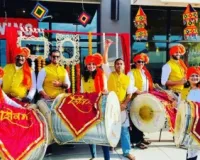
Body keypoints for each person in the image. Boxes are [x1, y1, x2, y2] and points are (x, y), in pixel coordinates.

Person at [102, 40, 135, 160]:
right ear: (114, 66)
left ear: (124, 66)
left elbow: (130, 94)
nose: (119, 66)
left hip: (121, 106)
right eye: (117, 64)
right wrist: (106, 47)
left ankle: (127, 151)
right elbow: (104, 62)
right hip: (110, 106)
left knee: (124, 129)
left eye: (121, 64)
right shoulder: (110, 75)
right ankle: (111, 146)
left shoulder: (128, 78)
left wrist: (124, 104)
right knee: (109, 126)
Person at [81, 53, 109, 160]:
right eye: (89, 64)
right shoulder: (84, 76)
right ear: (86, 65)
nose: (91, 66)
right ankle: (93, 156)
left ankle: (107, 158)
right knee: (90, 133)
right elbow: (83, 91)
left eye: (93, 64)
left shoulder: (102, 75)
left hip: (100, 105)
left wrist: (104, 92)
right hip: (88, 107)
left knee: (102, 133)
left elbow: (105, 89)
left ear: (96, 65)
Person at [127, 53, 153, 149]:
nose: (141, 63)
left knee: (142, 119)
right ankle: (136, 141)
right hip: (135, 100)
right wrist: (140, 92)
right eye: (139, 61)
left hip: (143, 100)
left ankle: (141, 138)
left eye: (142, 62)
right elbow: (130, 87)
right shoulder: (131, 73)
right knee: (136, 121)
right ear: (135, 62)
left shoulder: (144, 73)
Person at [182, 67, 200, 160]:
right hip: (189, 123)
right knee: (191, 149)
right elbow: (181, 106)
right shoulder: (185, 90)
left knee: (194, 147)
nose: (195, 77)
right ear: (188, 78)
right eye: (192, 75)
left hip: (197, 124)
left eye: (197, 75)